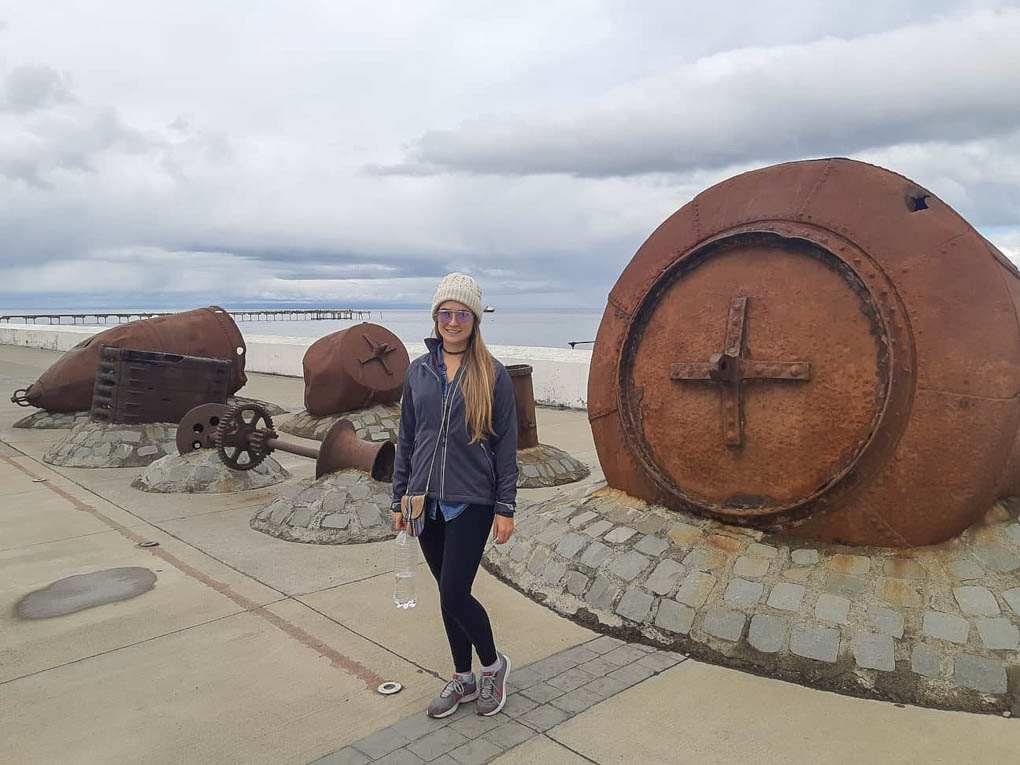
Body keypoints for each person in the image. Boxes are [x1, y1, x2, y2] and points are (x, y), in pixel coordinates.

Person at [392, 272, 519, 718]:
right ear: (435, 318)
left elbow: (506, 446)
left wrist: (506, 506)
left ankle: (492, 667)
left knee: (453, 592)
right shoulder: (418, 371)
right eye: (445, 313)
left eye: (461, 313)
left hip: (473, 500)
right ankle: (462, 677)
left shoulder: (493, 374)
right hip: (423, 501)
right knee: (449, 595)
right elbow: (407, 438)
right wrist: (399, 498)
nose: (452, 321)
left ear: (475, 318)